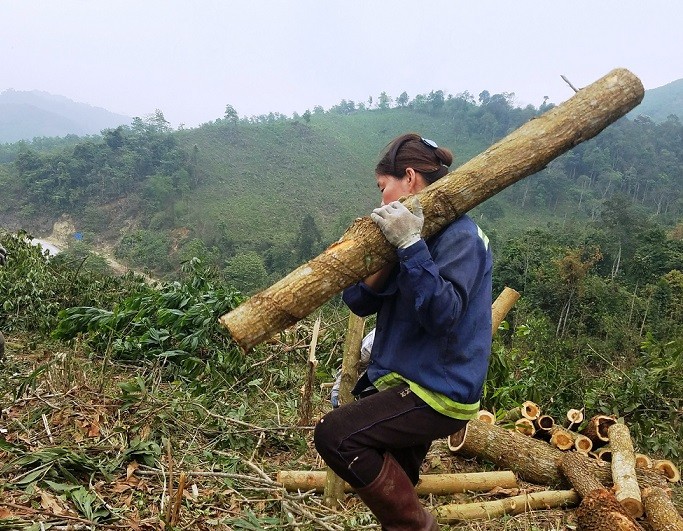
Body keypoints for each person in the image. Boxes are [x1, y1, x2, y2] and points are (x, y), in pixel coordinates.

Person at [314, 133, 493, 530]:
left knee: (337, 435)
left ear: (409, 178)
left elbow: (442, 314)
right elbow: (359, 302)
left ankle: (421, 526)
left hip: (438, 388)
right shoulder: (410, 229)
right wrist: (390, 248)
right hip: (403, 378)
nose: (381, 200)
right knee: (398, 482)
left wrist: (410, 245)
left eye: (384, 188)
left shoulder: (462, 237)